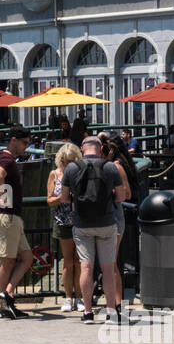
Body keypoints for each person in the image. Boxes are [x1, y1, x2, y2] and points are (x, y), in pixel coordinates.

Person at [59, 135, 125, 324]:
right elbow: (120, 196)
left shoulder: (72, 168)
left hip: (82, 224)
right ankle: (112, 312)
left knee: (86, 267)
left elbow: (63, 198)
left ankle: (87, 312)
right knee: (108, 268)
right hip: (106, 223)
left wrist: (78, 199)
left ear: (82, 148)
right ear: (100, 148)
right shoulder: (110, 167)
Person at [0, 127, 34, 320]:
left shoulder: (5, 158)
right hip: (6, 216)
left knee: (27, 258)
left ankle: (7, 293)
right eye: (25, 143)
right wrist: (4, 194)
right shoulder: (7, 159)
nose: (26, 146)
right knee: (7, 261)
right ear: (14, 140)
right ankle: (4, 305)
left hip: (12, 217)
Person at [46, 142, 82, 312]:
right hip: (63, 221)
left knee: (80, 262)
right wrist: (63, 196)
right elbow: (49, 200)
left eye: (72, 161)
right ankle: (68, 297)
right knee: (68, 262)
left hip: (81, 220)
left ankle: (80, 297)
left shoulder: (81, 173)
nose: (68, 164)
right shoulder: (54, 174)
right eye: (66, 161)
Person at [107, 136, 138, 306]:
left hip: (116, 217)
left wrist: (106, 191)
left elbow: (127, 194)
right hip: (116, 217)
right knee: (111, 263)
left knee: (111, 263)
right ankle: (116, 301)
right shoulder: (120, 164)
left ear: (111, 150)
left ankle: (117, 302)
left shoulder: (116, 166)